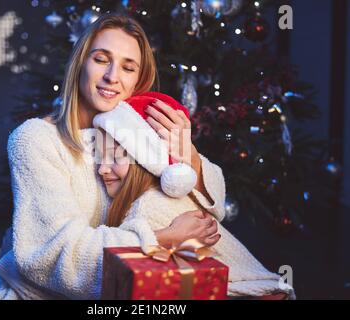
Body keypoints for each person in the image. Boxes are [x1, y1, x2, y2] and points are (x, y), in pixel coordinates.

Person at [0, 13, 224, 300]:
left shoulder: (140, 136)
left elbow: (211, 211)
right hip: (28, 294)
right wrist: (162, 238)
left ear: (138, 81)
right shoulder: (35, 138)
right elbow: (54, 253)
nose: (112, 76)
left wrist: (190, 158)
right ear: (80, 64)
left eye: (128, 67)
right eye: (100, 59)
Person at [93, 92, 295, 299]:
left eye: (116, 157)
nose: (102, 170)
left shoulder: (148, 208)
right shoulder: (158, 198)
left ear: (146, 158)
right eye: (99, 158)